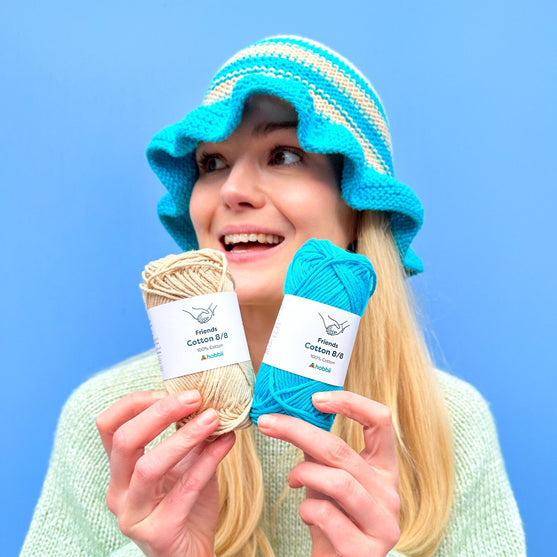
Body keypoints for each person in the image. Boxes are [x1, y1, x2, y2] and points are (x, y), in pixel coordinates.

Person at [21, 35, 525, 557]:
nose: (232, 190)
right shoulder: (113, 421)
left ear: (358, 205)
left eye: (283, 155)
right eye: (212, 163)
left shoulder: (449, 422)